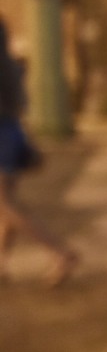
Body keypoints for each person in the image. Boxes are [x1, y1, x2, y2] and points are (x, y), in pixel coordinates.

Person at [0, 15, 79, 286]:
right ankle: (2, 263)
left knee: (4, 204)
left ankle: (59, 252)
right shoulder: (9, 64)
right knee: (7, 200)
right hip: (12, 133)